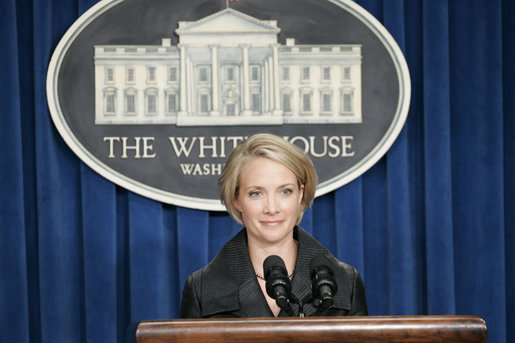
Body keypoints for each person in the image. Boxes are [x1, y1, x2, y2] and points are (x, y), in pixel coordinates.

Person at [180, 133, 367, 318]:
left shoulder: (345, 282)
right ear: (236, 199)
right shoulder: (202, 289)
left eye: (285, 191)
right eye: (256, 193)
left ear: (300, 194)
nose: (271, 208)